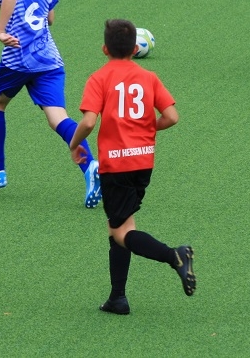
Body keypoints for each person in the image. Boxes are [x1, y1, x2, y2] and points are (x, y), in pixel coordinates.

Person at [69, 18, 194, 315]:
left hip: (117, 164)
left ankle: (175, 256)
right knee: (122, 225)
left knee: (120, 232)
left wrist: (74, 144)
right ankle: (117, 298)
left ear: (104, 49)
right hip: (143, 162)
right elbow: (172, 117)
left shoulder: (99, 78)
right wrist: (147, 128)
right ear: (136, 49)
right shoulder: (148, 77)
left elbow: (88, 122)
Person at [0, 0, 101, 208]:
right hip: (49, 59)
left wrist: (0, 30)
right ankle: (90, 166)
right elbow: (50, 17)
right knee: (58, 118)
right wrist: (7, 6)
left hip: (19, 58)